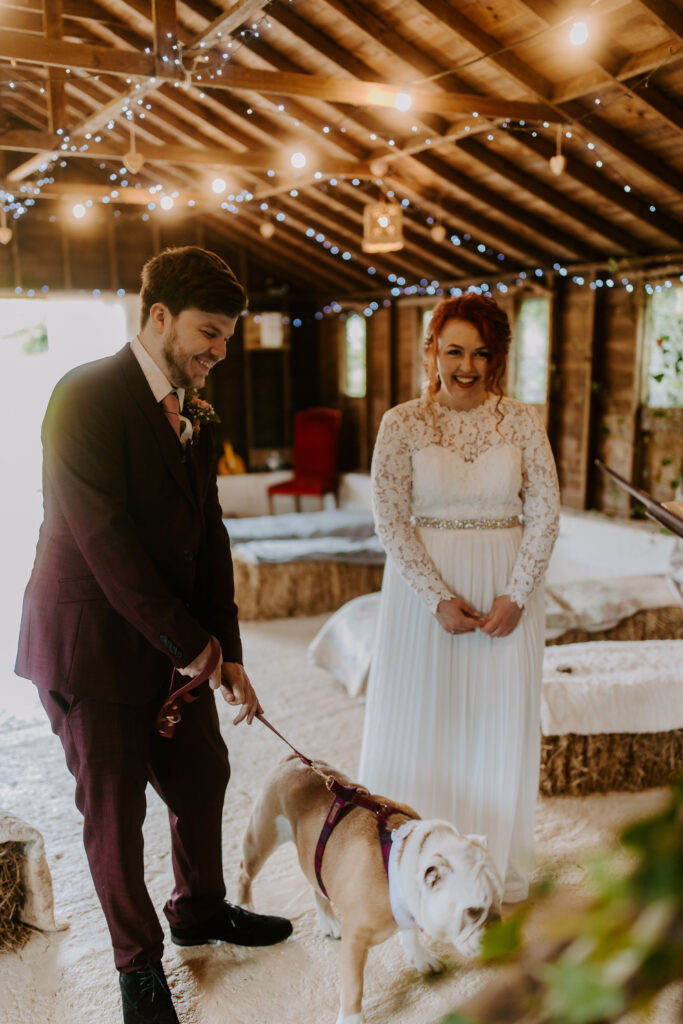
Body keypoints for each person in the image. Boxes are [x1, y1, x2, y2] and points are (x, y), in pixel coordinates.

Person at [15, 246, 292, 1024]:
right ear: (159, 316)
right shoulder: (84, 395)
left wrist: (226, 647)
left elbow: (209, 533)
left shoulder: (196, 410)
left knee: (202, 775)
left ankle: (199, 910)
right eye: (209, 333)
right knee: (113, 813)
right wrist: (190, 644)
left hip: (168, 642)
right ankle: (136, 965)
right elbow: (103, 539)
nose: (220, 352)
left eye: (228, 337)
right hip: (87, 642)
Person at [358, 292, 560, 902]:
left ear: (497, 358)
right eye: (453, 350)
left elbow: (545, 511)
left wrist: (517, 594)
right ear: (432, 352)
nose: (466, 366)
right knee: (426, 717)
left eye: (480, 353)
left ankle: (492, 864)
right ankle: (413, 862)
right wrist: (435, 597)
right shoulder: (402, 423)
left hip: (507, 588)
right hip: (425, 595)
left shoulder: (523, 420)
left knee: (497, 721)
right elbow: (389, 518)